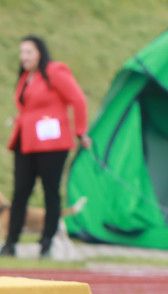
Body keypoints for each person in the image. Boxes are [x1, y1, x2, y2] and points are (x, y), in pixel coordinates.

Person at [2, 36, 90, 258]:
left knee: (51, 191)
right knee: (20, 192)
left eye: (29, 52)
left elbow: (78, 100)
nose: (24, 57)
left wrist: (80, 131)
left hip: (52, 143)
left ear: (40, 52)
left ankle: (46, 242)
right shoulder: (24, 77)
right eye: (22, 53)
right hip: (25, 142)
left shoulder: (54, 72)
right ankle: (11, 242)